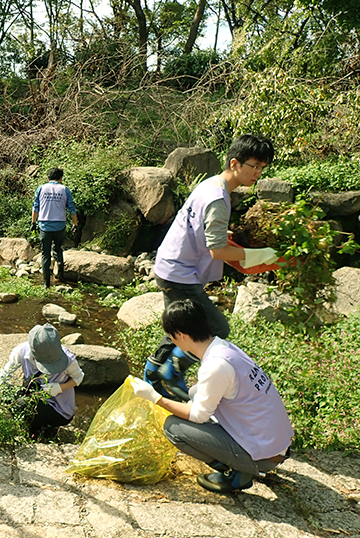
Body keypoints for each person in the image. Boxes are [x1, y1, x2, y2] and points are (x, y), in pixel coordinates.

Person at [146, 134, 278, 401]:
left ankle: (153, 369)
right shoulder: (218, 198)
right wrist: (260, 254)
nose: (258, 173)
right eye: (253, 166)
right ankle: (170, 372)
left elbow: (208, 234)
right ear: (234, 163)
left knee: (182, 323)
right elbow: (217, 250)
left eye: (262, 167)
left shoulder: (212, 185)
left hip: (172, 266)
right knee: (216, 329)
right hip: (179, 273)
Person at [131, 299, 293, 494]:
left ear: (181, 335)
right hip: (275, 441)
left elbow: (198, 416)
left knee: (174, 428)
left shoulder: (215, 366)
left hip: (265, 454)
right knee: (194, 392)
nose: (171, 341)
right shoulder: (224, 348)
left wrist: (156, 398)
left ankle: (238, 473)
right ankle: (243, 462)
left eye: (171, 336)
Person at [0, 323, 85, 438]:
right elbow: (4, 375)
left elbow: (79, 377)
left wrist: (60, 387)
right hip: (36, 394)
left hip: (58, 409)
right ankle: (31, 426)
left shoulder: (67, 359)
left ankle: (40, 431)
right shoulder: (21, 351)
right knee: (5, 394)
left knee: (24, 404)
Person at [31, 167, 79, 288]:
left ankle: (46, 284)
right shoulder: (65, 190)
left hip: (44, 226)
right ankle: (60, 276)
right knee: (58, 249)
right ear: (60, 178)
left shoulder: (41, 188)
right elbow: (72, 209)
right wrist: (75, 224)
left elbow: (35, 207)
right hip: (59, 225)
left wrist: (33, 222)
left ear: (48, 178)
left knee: (45, 254)